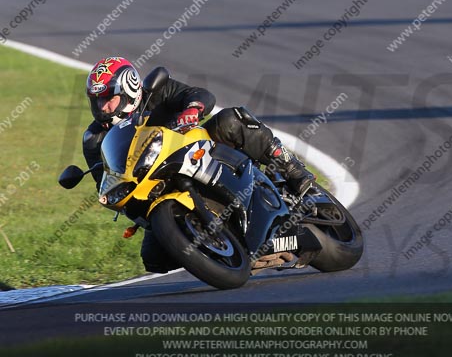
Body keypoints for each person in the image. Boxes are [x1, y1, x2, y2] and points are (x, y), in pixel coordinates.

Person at [83, 56, 315, 273]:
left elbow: (199, 94)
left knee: (230, 120)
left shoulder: (155, 92)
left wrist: (192, 109)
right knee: (153, 259)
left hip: (199, 151)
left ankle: (292, 168)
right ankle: (223, 251)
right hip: (155, 186)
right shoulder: (94, 139)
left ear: (129, 90)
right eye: (97, 101)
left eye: (108, 99)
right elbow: (105, 179)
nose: (103, 108)